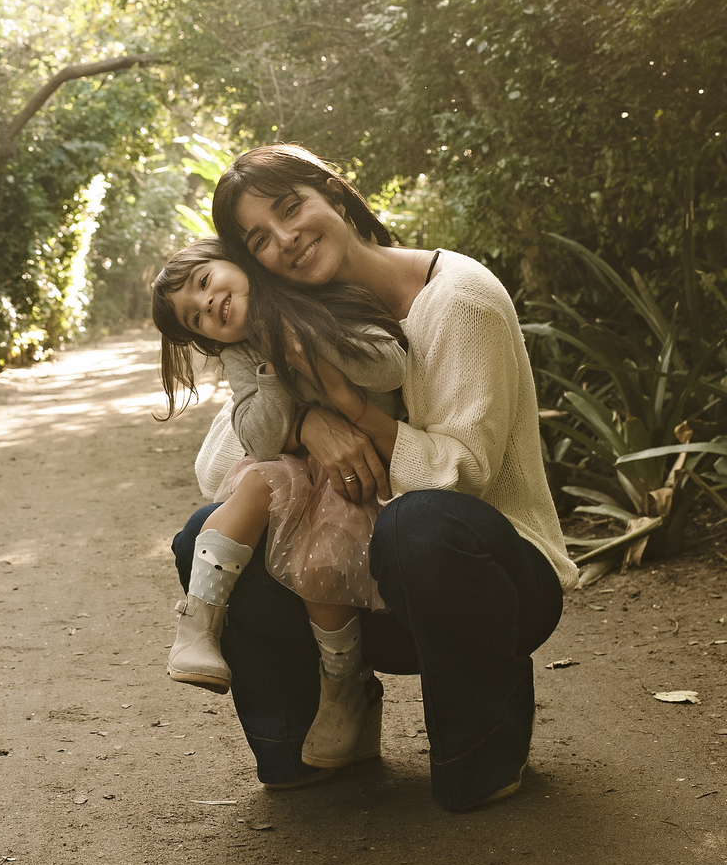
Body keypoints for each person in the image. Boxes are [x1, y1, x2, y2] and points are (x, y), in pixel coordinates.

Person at [170, 143, 575, 811]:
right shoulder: (285, 313)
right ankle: (315, 737)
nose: (287, 240)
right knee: (202, 539)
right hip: (358, 590)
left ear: (334, 190)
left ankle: (482, 748)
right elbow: (216, 464)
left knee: (415, 525)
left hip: (491, 577)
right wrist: (307, 426)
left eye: (292, 208)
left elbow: (462, 476)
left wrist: (354, 412)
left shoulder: (458, 300)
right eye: (259, 240)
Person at [150, 235, 406, 768]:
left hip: (358, 478)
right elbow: (259, 439)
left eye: (205, 282)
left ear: (235, 261)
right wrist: (272, 372)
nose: (209, 304)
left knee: (320, 567)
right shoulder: (244, 354)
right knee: (252, 483)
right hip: (294, 474)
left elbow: (390, 369)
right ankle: (199, 625)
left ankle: (343, 687)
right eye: (197, 318)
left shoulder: (317, 300)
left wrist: (307, 343)